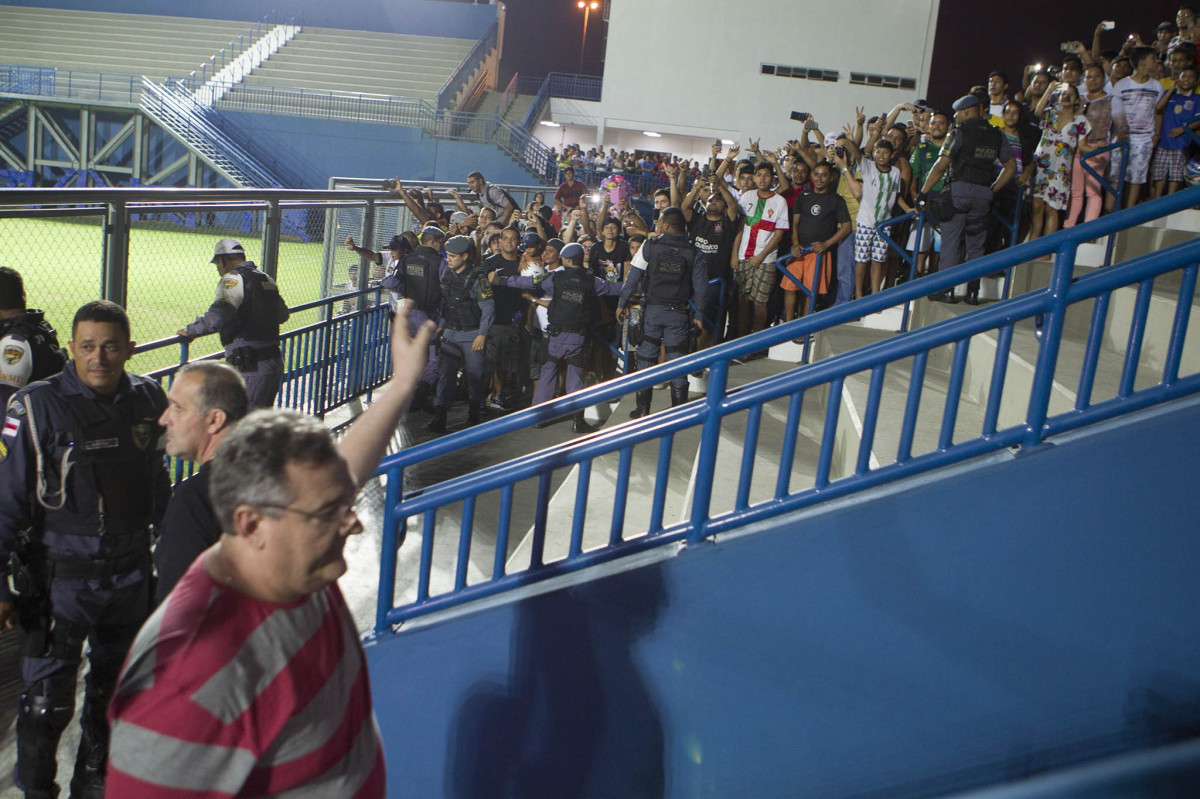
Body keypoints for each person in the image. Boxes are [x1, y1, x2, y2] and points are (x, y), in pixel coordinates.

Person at [106, 303, 436, 798]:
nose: (354, 520)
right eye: (330, 512)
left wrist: (402, 384)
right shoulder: (189, 685)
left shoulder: (294, 564)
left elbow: (344, 471)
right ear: (252, 523)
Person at [0, 300, 171, 799]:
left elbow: (157, 485)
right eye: (89, 346)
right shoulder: (35, 406)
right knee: (46, 705)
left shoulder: (147, 398)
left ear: (129, 349)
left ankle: (94, 785)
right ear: (72, 348)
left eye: (111, 346)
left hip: (132, 575)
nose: (100, 357)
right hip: (59, 583)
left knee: (114, 693)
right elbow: (7, 503)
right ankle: (36, 791)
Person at [495, 242, 620, 433]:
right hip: (577, 337)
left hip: (555, 335)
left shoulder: (554, 279)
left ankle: (538, 417)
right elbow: (615, 288)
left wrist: (501, 281)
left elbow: (527, 282)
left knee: (548, 373)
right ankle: (578, 420)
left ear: (567, 259)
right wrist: (642, 288)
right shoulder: (591, 281)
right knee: (574, 378)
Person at [154, 360, 248, 602]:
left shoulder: (195, 501)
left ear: (215, 420)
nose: (164, 419)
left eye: (178, 408)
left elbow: (177, 614)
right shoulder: (274, 471)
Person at [919, 94, 1016, 304]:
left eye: (957, 112)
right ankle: (973, 291)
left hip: (958, 192)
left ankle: (947, 289)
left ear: (966, 111)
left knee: (951, 242)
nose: (955, 116)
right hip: (983, 195)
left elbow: (940, 166)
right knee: (976, 245)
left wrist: (923, 192)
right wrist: (993, 189)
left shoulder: (957, 133)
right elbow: (1011, 167)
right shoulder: (996, 134)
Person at [617, 207, 708, 417]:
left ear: (666, 225)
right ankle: (679, 412)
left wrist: (622, 303)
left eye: (659, 223)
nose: (657, 226)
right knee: (677, 360)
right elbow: (702, 288)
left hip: (652, 312)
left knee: (646, 359)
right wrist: (700, 316)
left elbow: (633, 277)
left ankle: (642, 409)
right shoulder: (694, 252)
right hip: (678, 314)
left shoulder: (650, 246)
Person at [178, 238, 290, 409]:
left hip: (250, 366)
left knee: (244, 424)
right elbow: (283, 314)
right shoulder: (266, 278)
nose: (218, 269)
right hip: (272, 362)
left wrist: (191, 330)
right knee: (259, 420)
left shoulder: (233, 279)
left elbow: (218, 316)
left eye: (217, 264)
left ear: (223, 260)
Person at [429, 236, 494, 433]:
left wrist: (482, 334)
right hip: (451, 332)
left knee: (475, 376)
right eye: (447, 255)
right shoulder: (447, 274)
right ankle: (440, 417)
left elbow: (488, 308)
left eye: (452, 256)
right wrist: (441, 326)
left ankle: (473, 415)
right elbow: (447, 304)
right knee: (445, 376)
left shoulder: (478, 278)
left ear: (465, 256)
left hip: (472, 334)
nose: (448, 259)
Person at [380, 225, 446, 413]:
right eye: (440, 242)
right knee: (433, 357)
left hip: (410, 316)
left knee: (411, 355)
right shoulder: (440, 262)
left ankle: (408, 394)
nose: (441, 245)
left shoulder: (407, 259)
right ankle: (422, 392)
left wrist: (380, 282)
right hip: (431, 317)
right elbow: (446, 288)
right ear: (432, 242)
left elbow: (392, 282)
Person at [783, 162, 852, 323]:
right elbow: (795, 223)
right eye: (816, 174)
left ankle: (804, 326)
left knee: (810, 291)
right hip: (799, 251)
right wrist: (795, 243)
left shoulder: (836, 200)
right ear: (812, 176)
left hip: (818, 253)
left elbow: (846, 227)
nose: (819, 178)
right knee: (789, 287)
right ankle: (787, 324)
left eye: (824, 174)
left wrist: (826, 244)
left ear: (830, 177)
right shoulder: (803, 196)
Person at [732, 162, 790, 336]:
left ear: (772, 178)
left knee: (760, 302)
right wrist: (734, 254)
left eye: (766, 175)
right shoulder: (747, 196)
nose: (762, 179)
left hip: (766, 259)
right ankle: (741, 339)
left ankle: (755, 341)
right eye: (759, 175)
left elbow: (778, 235)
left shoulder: (780, 202)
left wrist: (761, 256)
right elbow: (741, 227)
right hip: (743, 256)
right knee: (742, 300)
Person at [0, 266, 67, 406]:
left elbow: (6, 405)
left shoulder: (14, 344)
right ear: (23, 295)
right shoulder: (39, 325)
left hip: (27, 422)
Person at [1112, 47, 1168, 207]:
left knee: (1137, 177)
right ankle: (1112, 211)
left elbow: (1158, 111)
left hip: (1144, 139)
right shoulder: (1122, 84)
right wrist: (1122, 128)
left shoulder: (1157, 86)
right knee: (1116, 176)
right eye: (1153, 58)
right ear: (1142, 62)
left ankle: (1128, 213)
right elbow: (1116, 109)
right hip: (1121, 139)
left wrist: (1156, 134)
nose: (1156, 61)